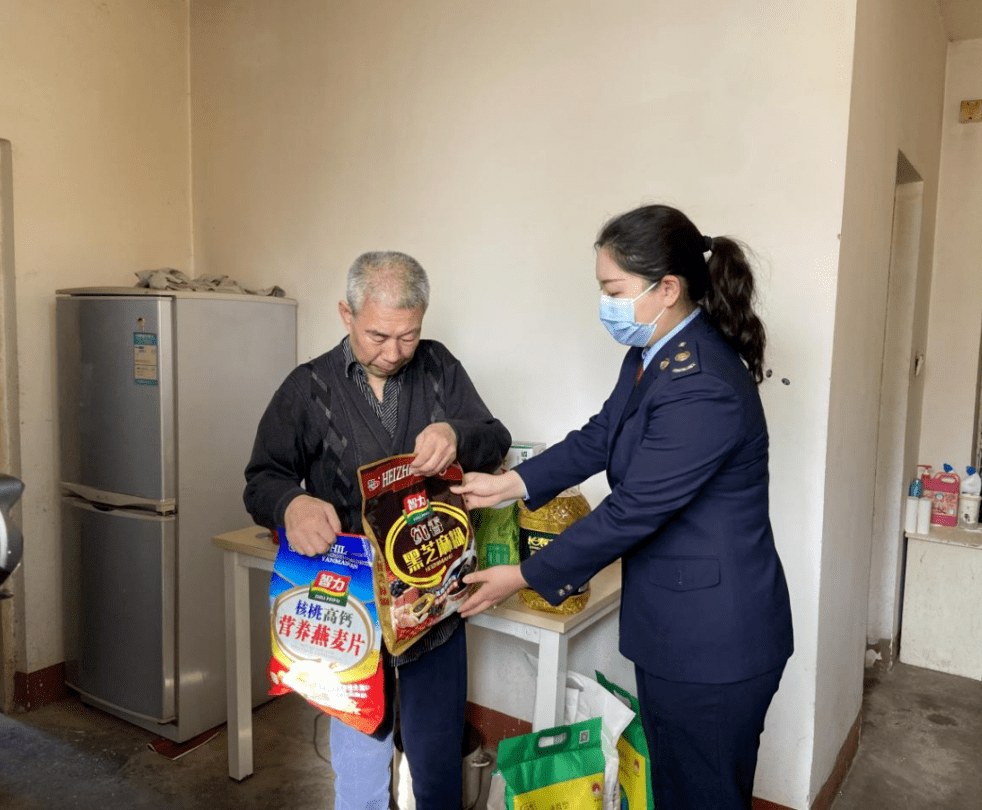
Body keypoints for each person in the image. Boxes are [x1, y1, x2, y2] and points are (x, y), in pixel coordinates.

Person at [455, 204, 793, 810]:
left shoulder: (702, 383)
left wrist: (526, 574)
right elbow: (599, 436)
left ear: (667, 288)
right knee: (679, 785)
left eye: (613, 290)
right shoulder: (651, 354)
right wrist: (510, 485)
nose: (605, 305)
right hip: (678, 628)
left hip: (716, 641)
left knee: (706, 794)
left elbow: (633, 510)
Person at [244, 250, 510, 810]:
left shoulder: (439, 367)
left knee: (437, 761)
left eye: (408, 336)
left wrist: (458, 435)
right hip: (352, 609)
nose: (394, 353)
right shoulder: (307, 388)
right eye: (378, 336)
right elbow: (261, 479)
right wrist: (290, 503)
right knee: (360, 759)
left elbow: (495, 436)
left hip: (433, 602)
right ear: (346, 314)